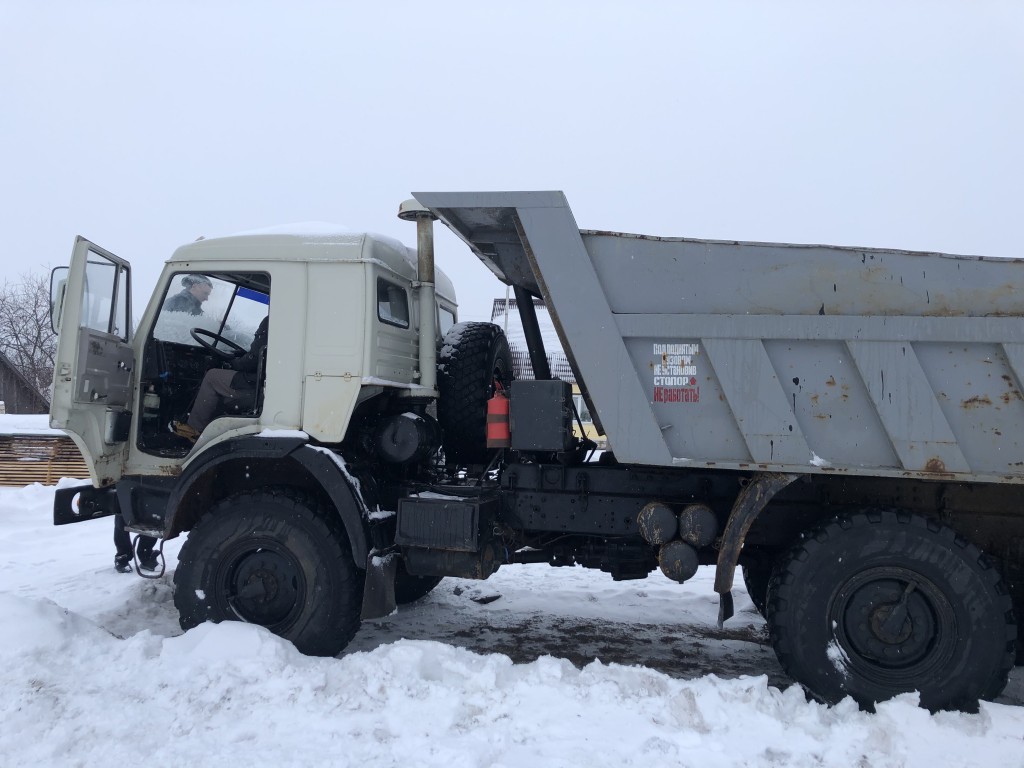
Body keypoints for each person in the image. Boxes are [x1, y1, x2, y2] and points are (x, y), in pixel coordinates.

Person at [172, 314, 269, 441]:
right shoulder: (286, 321)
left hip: (255, 384)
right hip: (263, 381)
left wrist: (235, 363)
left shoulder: (271, 321)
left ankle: (194, 429)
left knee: (212, 377)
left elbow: (253, 359)